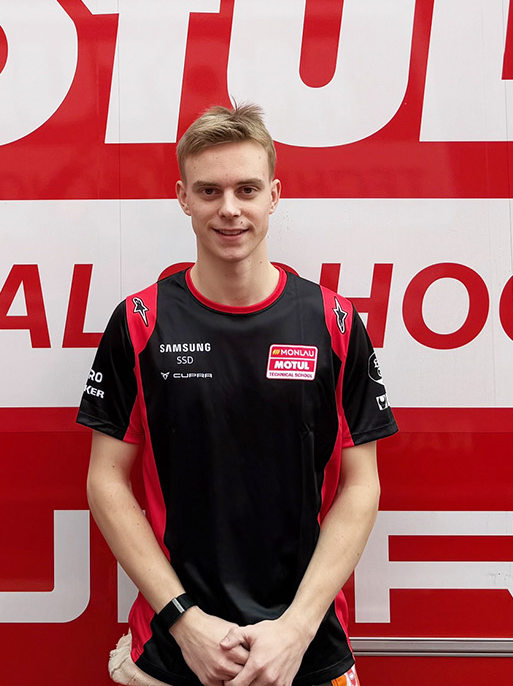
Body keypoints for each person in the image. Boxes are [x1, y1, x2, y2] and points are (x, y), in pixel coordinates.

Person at [78, 104, 395, 686]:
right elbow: (106, 480)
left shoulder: (332, 322)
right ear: (183, 198)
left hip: (309, 652)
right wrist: (185, 622)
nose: (229, 208)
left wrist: (296, 629)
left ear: (274, 195)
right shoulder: (141, 322)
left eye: (247, 189)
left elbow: (361, 485)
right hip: (173, 654)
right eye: (209, 190)